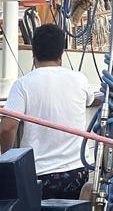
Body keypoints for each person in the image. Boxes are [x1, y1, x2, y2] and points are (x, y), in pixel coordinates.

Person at [0, 24, 95, 199]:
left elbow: (7, 128)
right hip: (77, 173)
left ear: (33, 53)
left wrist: (7, 160)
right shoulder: (80, 80)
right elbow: (91, 100)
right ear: (61, 53)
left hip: (38, 175)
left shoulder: (22, 84)